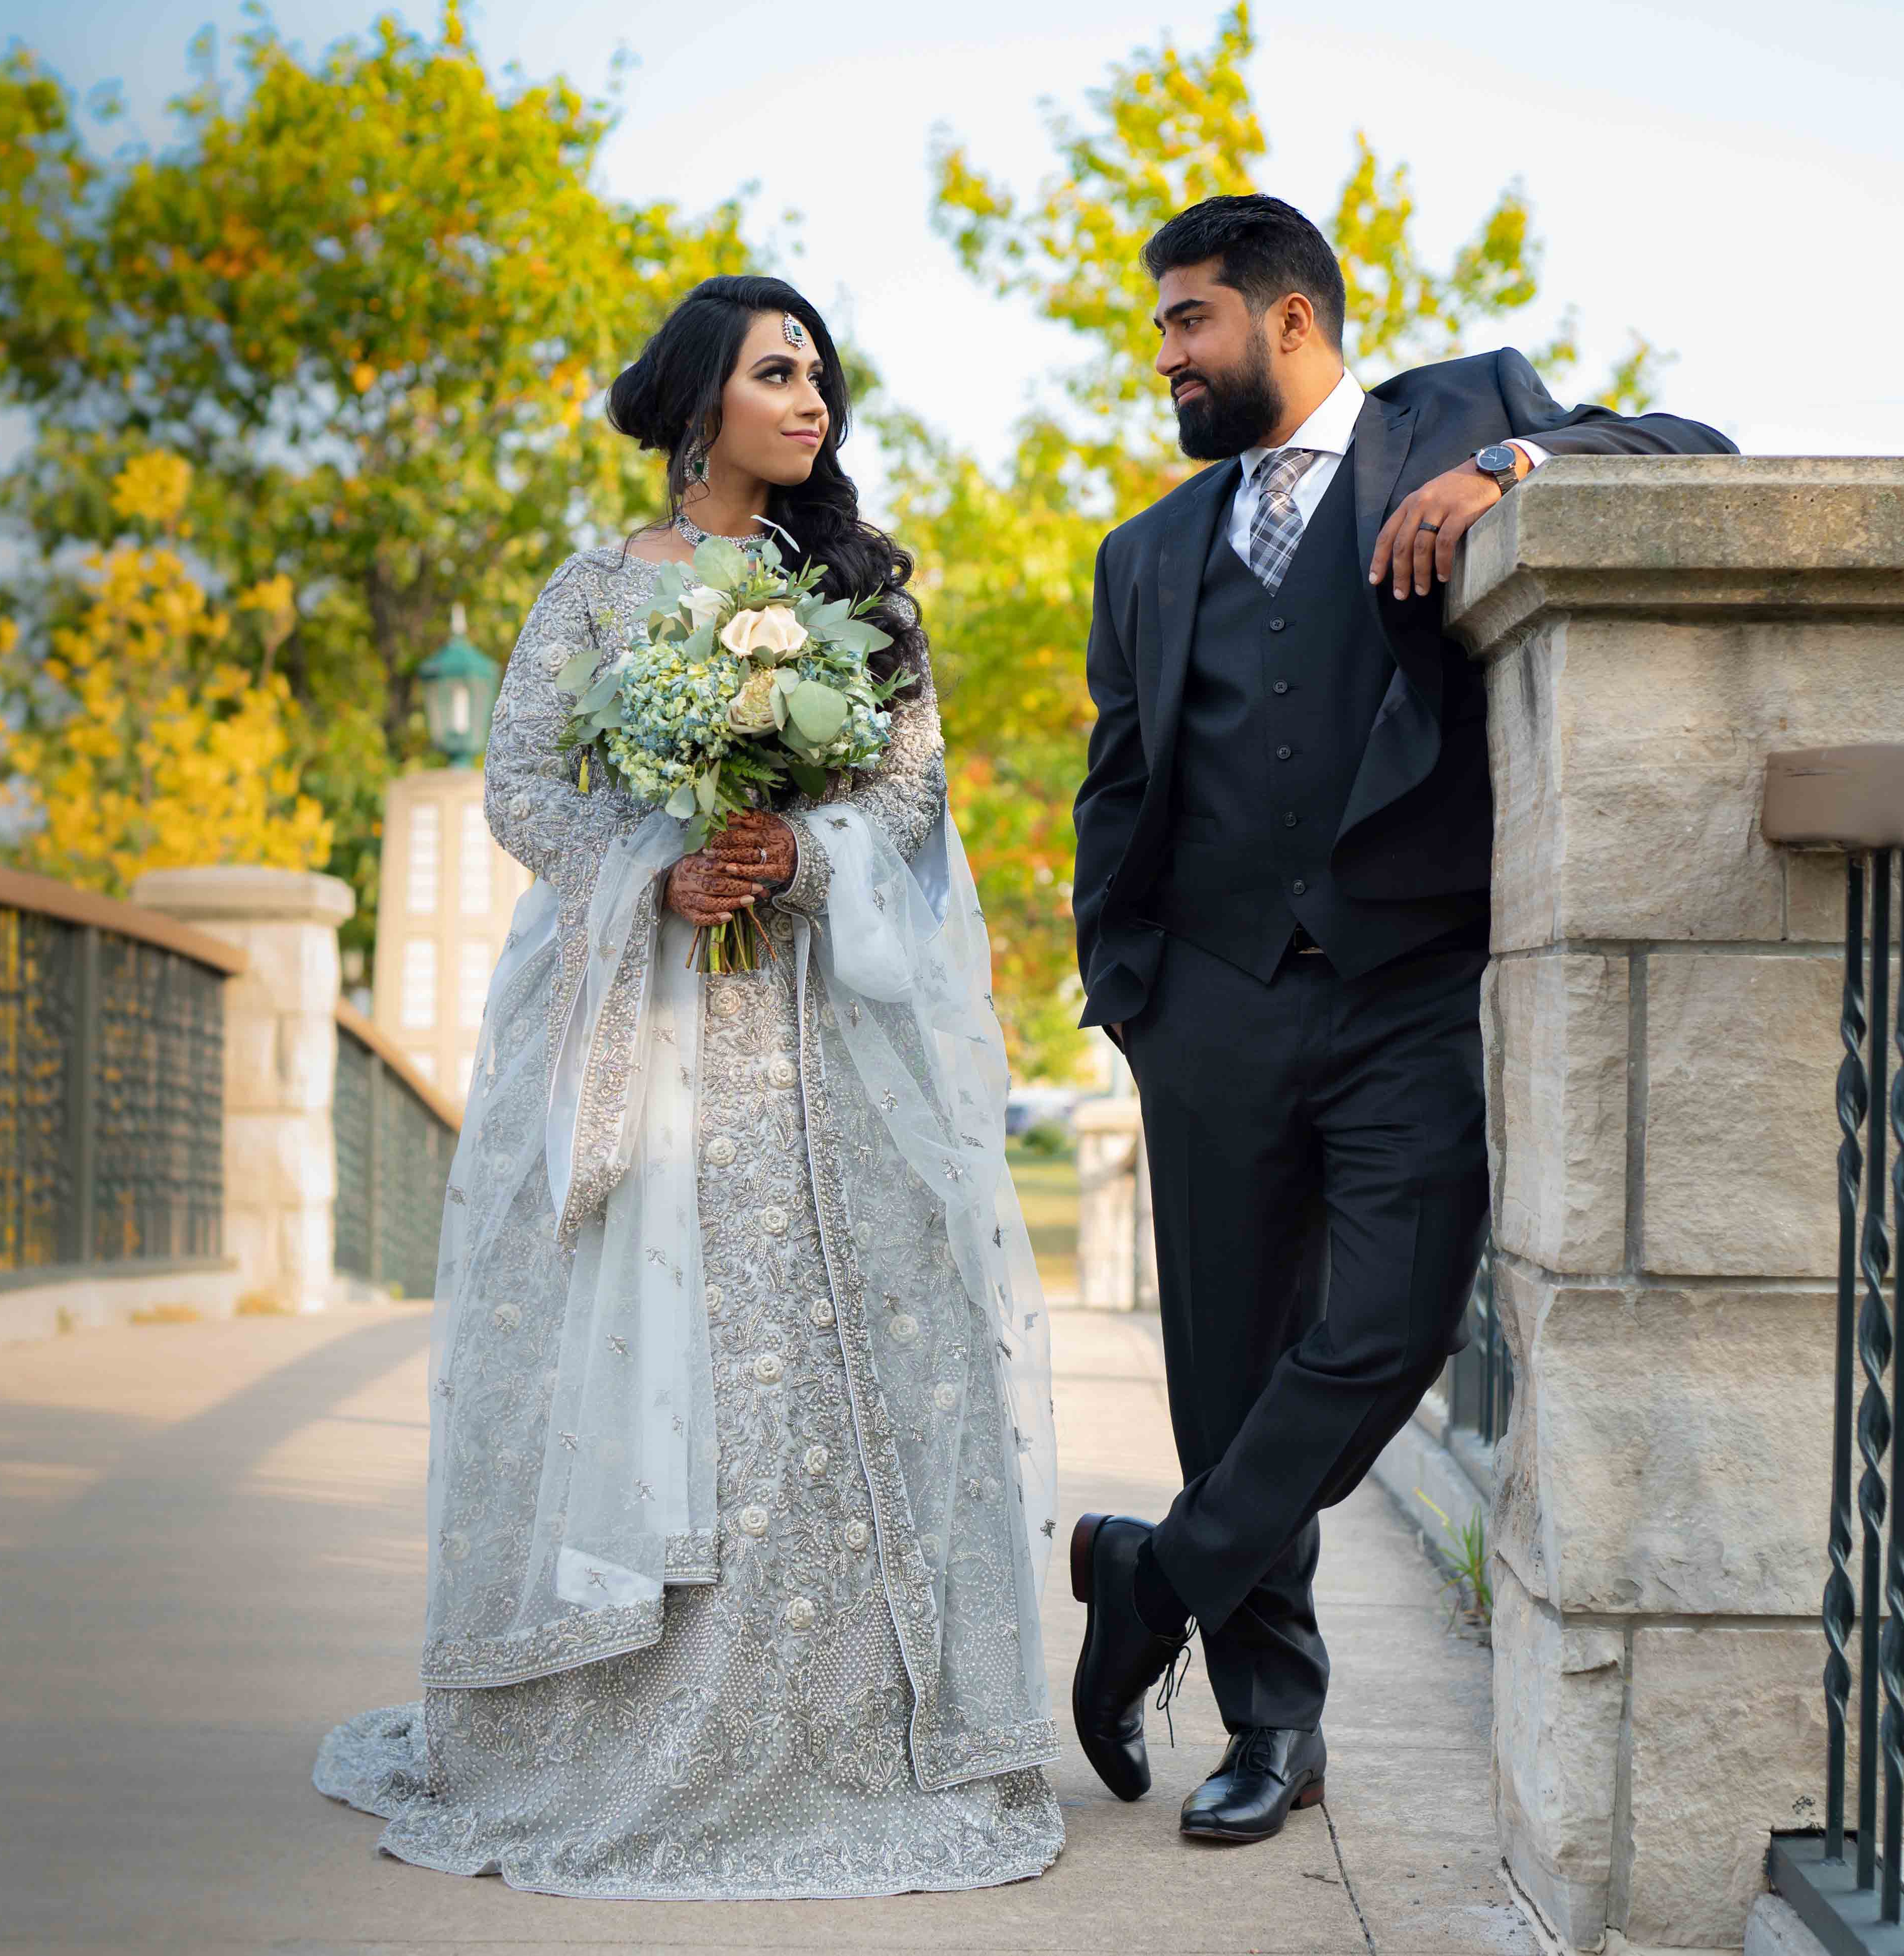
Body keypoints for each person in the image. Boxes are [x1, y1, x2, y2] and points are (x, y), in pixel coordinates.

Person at [317, 275, 1064, 1899]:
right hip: (640, 1037)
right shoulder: (593, 592)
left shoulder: (857, 590)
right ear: (695, 401)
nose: (812, 405)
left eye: (822, 380)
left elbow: (914, 796)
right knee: (664, 1356)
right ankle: (611, 1730)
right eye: (777, 373)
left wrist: (794, 845)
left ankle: (842, 1736)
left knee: (841, 1349)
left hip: (823, 1044)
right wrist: (654, 869)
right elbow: (523, 781)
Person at [1066, 196, 1735, 1844]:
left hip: (1405, 987)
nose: (1165, 355)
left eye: (1190, 321)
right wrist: (1132, 988)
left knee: (1390, 1326)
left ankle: (1150, 1579)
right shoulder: (1145, 551)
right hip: (1209, 1007)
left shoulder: (1468, 410)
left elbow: (1694, 445)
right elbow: (1122, 782)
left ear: (1290, 322)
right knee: (1226, 1375)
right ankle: (1272, 1728)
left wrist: (1515, 475)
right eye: (1162, 325)